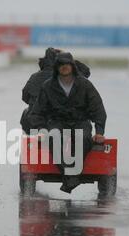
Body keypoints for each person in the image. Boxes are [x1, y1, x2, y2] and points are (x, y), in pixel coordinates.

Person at [28, 52, 107, 193]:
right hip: (57, 122)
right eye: (61, 64)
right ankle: (72, 176)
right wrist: (40, 128)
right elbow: (37, 111)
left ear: (72, 66)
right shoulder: (48, 86)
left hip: (80, 121)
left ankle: (71, 176)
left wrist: (99, 131)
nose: (64, 67)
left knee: (83, 138)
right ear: (56, 67)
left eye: (67, 64)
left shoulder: (85, 84)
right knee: (53, 138)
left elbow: (98, 108)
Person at [20, 48, 90, 134]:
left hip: (37, 125)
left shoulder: (34, 77)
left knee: (26, 113)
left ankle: (30, 141)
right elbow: (86, 72)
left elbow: (25, 97)